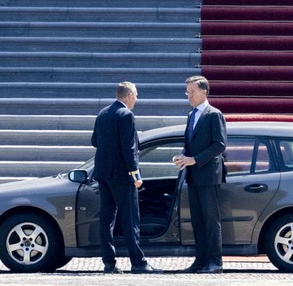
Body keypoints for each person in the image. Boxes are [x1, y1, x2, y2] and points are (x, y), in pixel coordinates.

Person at [91, 82, 161, 274]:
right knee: (130, 219)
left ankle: (109, 263)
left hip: (103, 174)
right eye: (136, 95)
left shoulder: (103, 113)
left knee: (107, 219)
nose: (136, 99)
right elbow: (129, 149)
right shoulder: (126, 115)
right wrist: (136, 174)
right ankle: (138, 263)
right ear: (129, 95)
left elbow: (94, 141)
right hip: (122, 175)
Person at [171, 75, 227, 273]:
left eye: (192, 92)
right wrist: (183, 157)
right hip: (193, 175)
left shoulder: (214, 114)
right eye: (187, 92)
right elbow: (190, 144)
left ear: (204, 92)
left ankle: (215, 262)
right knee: (197, 220)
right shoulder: (191, 115)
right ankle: (200, 260)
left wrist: (195, 159)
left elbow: (219, 144)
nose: (189, 96)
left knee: (211, 220)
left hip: (209, 175)